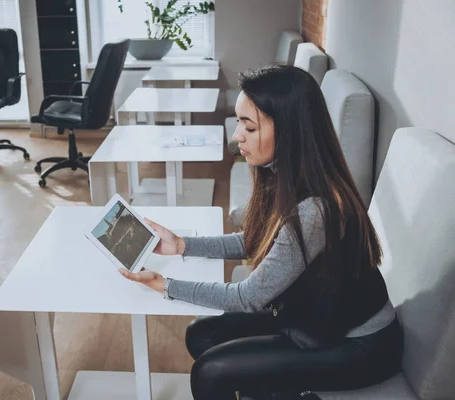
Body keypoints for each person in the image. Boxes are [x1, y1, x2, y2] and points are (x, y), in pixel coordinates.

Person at [119, 65, 403, 400]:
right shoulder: (280, 172)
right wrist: (182, 244)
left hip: (359, 345)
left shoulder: (315, 210)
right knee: (201, 335)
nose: (237, 135)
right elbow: (257, 240)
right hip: (313, 318)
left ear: (288, 131)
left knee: (211, 372)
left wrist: (166, 286)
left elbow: (248, 298)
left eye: (249, 127)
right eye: (239, 121)